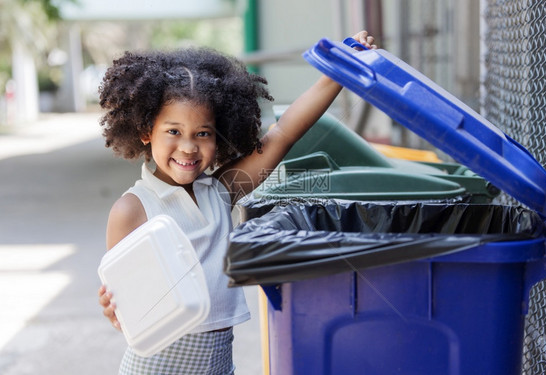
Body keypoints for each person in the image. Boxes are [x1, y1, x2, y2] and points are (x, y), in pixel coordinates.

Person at [97, 31, 376, 374]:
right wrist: (116, 312)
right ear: (145, 131)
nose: (188, 147)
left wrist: (339, 73)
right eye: (173, 131)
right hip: (157, 366)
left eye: (203, 133)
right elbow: (125, 307)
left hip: (218, 362)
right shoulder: (132, 209)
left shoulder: (221, 191)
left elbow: (284, 133)